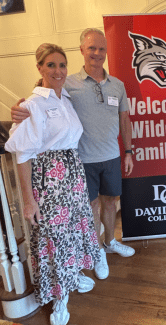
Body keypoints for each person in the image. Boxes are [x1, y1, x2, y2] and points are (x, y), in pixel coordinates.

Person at [11, 28, 136, 281]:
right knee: (89, 206)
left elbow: (125, 118)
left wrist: (128, 151)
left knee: (111, 201)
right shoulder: (67, 81)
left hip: (111, 154)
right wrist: (19, 110)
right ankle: (97, 249)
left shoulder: (118, 85)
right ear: (82, 50)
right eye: (92, 48)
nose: (97, 53)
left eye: (101, 48)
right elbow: (42, 95)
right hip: (81, 160)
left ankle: (110, 241)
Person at [5, 43, 101, 325]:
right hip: (49, 180)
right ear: (39, 68)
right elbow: (22, 154)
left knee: (72, 232)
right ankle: (60, 298)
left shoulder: (66, 99)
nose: (57, 70)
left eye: (62, 65)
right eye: (51, 65)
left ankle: (72, 278)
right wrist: (28, 199)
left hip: (72, 175)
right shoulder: (32, 105)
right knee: (54, 239)